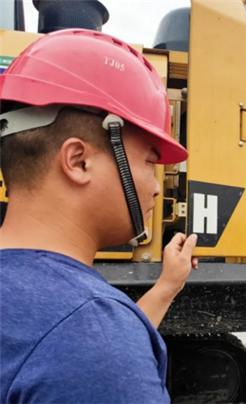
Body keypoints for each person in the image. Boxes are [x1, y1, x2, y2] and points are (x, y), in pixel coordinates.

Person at [0, 29, 197, 402]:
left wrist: (167, 286)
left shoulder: (73, 325)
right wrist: (111, 332)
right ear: (79, 161)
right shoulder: (91, 336)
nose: (156, 187)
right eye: (149, 162)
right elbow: (88, 343)